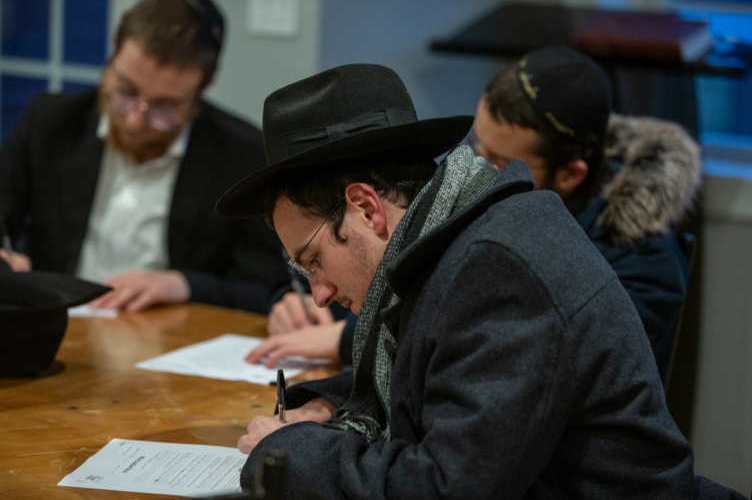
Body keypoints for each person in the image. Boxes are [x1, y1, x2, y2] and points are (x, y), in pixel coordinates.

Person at [218, 63, 739, 498]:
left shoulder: (499, 268)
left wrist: (289, 454)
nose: (319, 293)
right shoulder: (453, 240)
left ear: (366, 209)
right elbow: (435, 375)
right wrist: (332, 405)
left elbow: (446, 487)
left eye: (313, 261)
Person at [249, 47, 700, 382]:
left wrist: (346, 338)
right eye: (475, 146)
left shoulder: (633, 264)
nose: (478, 168)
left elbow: (513, 365)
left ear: (570, 174)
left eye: (500, 162)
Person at [0, 0, 286, 313]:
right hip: (62, 325)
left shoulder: (242, 155)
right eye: (125, 91)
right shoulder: (50, 123)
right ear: (112, 52)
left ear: (201, 89)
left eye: (164, 108)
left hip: (172, 332)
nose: (135, 120)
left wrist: (183, 284)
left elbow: (264, 287)